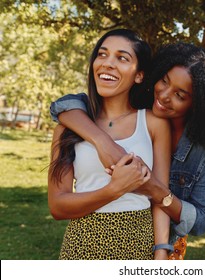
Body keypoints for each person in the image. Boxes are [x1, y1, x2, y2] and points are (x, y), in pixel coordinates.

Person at [50, 42, 205, 259]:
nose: (163, 96)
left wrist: (157, 191)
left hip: (162, 244)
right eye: (164, 81)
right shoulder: (138, 104)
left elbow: (202, 221)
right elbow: (65, 106)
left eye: (180, 95)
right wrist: (103, 142)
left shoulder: (202, 151)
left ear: (197, 105)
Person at [48, 29, 172, 260]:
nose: (108, 63)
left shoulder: (154, 124)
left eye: (122, 58)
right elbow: (58, 206)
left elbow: (160, 196)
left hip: (139, 244)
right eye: (102, 55)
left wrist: (161, 252)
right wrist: (113, 189)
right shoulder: (68, 128)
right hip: (82, 246)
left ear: (139, 75)